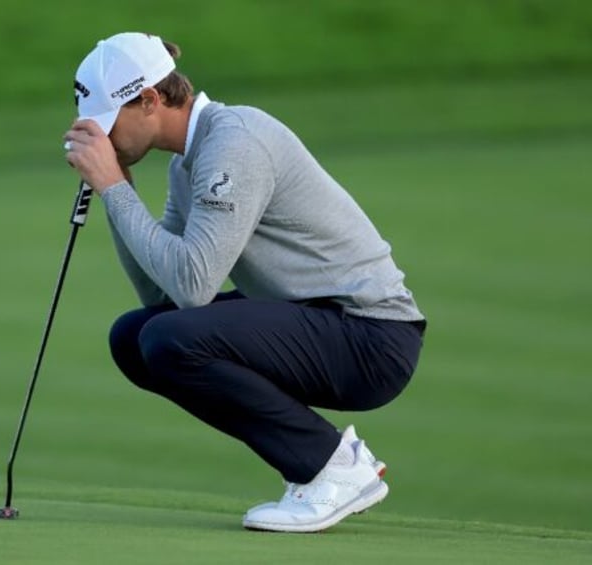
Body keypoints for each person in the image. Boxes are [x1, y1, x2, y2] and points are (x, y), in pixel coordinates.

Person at [63, 32, 426, 533]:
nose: (104, 140)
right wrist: (118, 188)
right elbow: (163, 295)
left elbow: (191, 289)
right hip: (318, 322)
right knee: (134, 337)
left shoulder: (235, 142)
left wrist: (114, 188)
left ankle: (331, 467)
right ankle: (322, 465)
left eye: (109, 124)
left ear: (148, 100)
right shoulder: (186, 165)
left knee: (167, 337)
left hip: (370, 335)